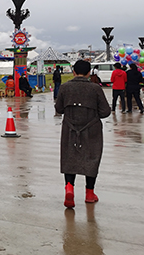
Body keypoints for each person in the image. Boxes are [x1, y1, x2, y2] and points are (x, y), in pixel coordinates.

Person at [55, 60, 111, 208]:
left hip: (70, 128)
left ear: (73, 72)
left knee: (69, 157)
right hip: (91, 129)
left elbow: (59, 109)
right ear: (88, 73)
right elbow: (105, 111)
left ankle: (69, 188)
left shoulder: (65, 87)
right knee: (92, 158)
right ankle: (89, 194)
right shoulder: (95, 89)